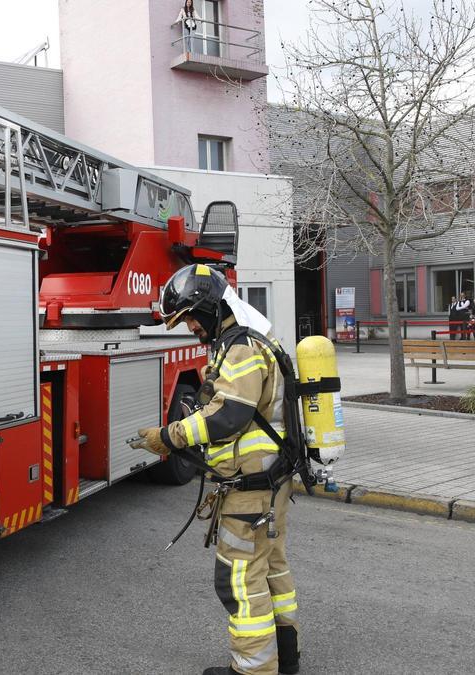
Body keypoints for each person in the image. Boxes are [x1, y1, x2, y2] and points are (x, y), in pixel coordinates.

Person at [132, 264, 300, 675]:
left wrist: (169, 435)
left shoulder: (240, 347)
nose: (188, 326)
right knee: (270, 567)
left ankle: (254, 670)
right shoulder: (249, 339)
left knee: (238, 580)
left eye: (189, 316)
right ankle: (285, 658)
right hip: (271, 479)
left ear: (208, 307)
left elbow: (229, 417)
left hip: (251, 484)